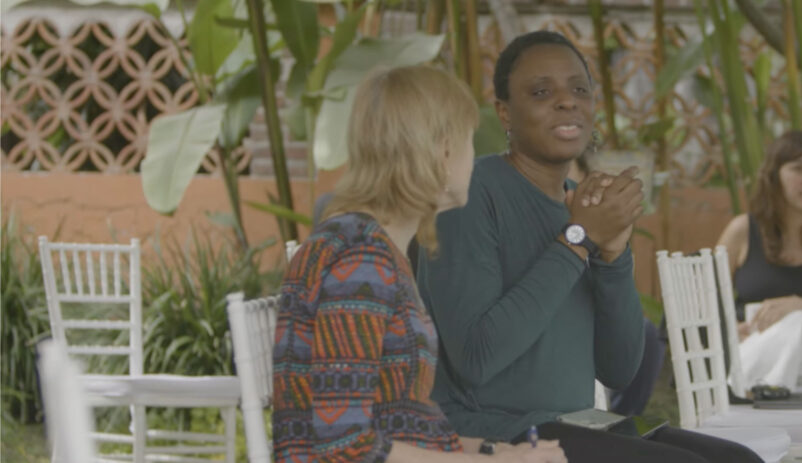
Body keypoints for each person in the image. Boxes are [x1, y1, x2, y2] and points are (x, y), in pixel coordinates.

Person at [417, 31, 763, 463]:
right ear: (504, 112)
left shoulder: (581, 207)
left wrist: (615, 257)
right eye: (542, 91)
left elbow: (619, 370)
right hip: (492, 432)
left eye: (579, 89)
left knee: (739, 460)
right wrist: (576, 241)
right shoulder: (468, 198)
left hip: (575, 423)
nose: (567, 101)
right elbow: (477, 357)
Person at [272, 65, 566, 463]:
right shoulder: (359, 261)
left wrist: (496, 451)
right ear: (443, 151)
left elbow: (394, 428)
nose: (473, 157)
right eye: (469, 141)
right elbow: (345, 447)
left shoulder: (375, 251)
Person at [717, 131, 802, 391]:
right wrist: (731, 330)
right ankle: (765, 389)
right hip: (752, 347)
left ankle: (749, 393)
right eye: (799, 169)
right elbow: (704, 302)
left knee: (799, 324)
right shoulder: (742, 231)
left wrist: (799, 307)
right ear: (775, 175)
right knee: (781, 333)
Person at [568, 155, 667, 416]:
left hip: (602, 357)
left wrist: (611, 254)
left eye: (572, 183)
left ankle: (624, 420)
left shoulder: (604, 235)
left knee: (647, 335)